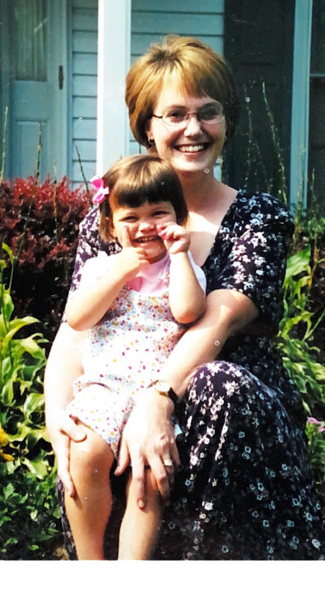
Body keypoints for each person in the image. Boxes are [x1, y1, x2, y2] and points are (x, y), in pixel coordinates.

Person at [44, 35, 325, 560]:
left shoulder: (257, 218)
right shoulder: (113, 220)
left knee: (217, 380)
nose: (193, 129)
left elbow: (214, 323)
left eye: (208, 113)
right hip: (118, 396)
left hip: (224, 412)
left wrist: (157, 402)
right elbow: (78, 327)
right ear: (147, 126)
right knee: (86, 441)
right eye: (175, 114)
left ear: (226, 122)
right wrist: (57, 422)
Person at [62, 154, 207, 560]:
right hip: (105, 387)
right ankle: (91, 565)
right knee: (86, 452)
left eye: (158, 214)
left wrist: (179, 255)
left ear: (179, 219)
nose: (145, 227)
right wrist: (121, 270)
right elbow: (77, 317)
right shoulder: (101, 268)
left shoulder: (185, 267)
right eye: (131, 217)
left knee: (146, 480)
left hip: (155, 396)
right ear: (110, 224)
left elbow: (187, 312)